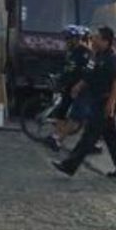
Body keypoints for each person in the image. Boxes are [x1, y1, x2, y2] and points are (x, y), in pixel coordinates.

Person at [52, 26, 116, 178]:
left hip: (104, 102)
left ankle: (69, 165)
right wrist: (79, 85)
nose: (93, 39)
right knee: (112, 138)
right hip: (95, 100)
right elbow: (90, 74)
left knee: (88, 138)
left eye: (96, 37)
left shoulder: (113, 58)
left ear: (105, 41)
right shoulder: (97, 55)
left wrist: (110, 105)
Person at [45, 25, 101, 154]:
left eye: (69, 38)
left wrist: (80, 85)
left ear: (76, 38)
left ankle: (62, 138)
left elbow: (88, 72)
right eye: (66, 38)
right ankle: (56, 136)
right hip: (69, 86)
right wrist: (59, 78)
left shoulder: (86, 53)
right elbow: (68, 68)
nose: (66, 41)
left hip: (81, 88)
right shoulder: (71, 51)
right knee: (62, 111)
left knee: (78, 117)